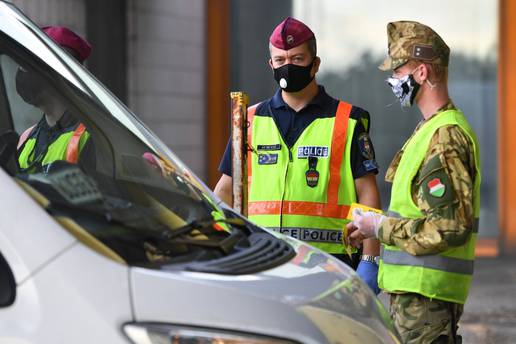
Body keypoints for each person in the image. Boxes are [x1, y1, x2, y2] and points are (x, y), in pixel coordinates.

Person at [214, 17, 382, 293]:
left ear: (315, 64)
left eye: (297, 58)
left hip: (331, 266)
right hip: (263, 262)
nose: (287, 66)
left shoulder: (348, 120)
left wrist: (370, 258)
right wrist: (220, 247)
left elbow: (368, 194)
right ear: (271, 65)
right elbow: (223, 192)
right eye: (280, 60)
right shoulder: (248, 121)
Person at [347, 21, 480, 343]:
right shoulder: (429, 130)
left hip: (426, 300)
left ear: (421, 73)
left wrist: (378, 228)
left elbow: (448, 227)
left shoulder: (444, 137)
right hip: (415, 296)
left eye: (398, 70)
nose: (393, 80)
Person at [16, 26, 93, 174]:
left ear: (61, 75)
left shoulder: (89, 137)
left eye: (32, 65)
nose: (24, 71)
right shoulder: (26, 137)